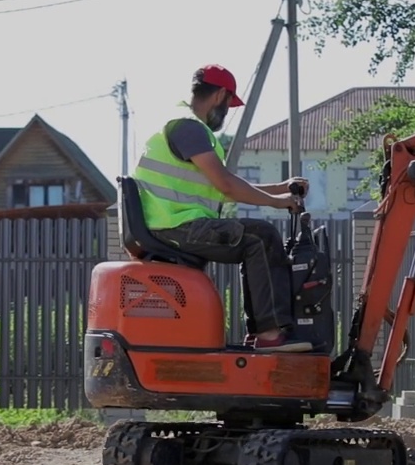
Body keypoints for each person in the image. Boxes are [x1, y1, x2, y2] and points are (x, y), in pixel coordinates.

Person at [130, 64, 313, 353]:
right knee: (260, 237)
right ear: (219, 96)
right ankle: (268, 334)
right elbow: (227, 185)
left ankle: (261, 333)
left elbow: (222, 189)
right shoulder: (189, 127)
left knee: (252, 238)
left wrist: (281, 188)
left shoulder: (179, 124)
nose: (227, 110)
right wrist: (278, 203)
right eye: (229, 103)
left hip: (171, 225)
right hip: (178, 227)